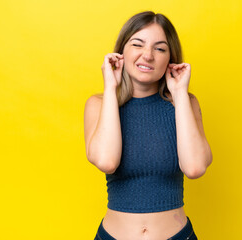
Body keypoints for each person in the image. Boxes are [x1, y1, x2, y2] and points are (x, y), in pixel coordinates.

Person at [84, 11, 213, 240]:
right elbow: (107, 161)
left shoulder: (185, 104)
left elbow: (195, 168)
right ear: (121, 51)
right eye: (137, 44)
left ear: (170, 58)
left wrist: (180, 93)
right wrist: (111, 88)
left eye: (160, 48)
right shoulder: (99, 104)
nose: (148, 55)